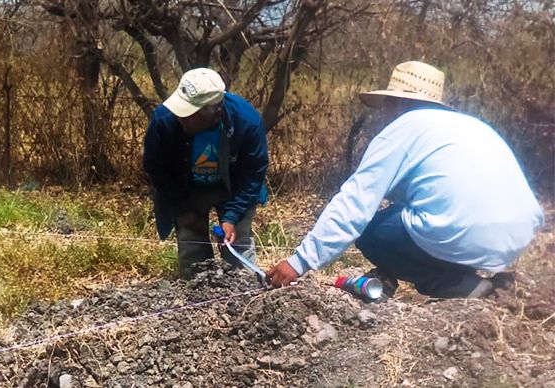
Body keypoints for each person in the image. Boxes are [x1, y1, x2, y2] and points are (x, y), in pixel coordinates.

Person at [266, 61, 544, 298]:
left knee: (370, 232)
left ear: (401, 102)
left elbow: (355, 203)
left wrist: (299, 262)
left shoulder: (403, 128)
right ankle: (470, 275)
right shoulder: (471, 126)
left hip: (461, 233)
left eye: (388, 102)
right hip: (515, 236)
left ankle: (460, 284)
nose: (385, 110)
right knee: (401, 214)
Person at [143, 68, 268, 278]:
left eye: (190, 112)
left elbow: (252, 175)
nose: (181, 116)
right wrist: (182, 209)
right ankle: (196, 290)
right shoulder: (164, 120)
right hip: (187, 187)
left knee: (237, 244)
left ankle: (245, 294)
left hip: (233, 187)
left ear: (215, 112)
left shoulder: (247, 122)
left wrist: (231, 217)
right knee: (192, 243)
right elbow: (156, 168)